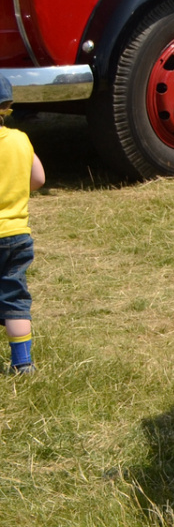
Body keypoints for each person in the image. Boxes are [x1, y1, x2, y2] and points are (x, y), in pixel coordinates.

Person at [0, 75, 46, 376]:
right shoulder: (20, 140)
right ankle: (22, 363)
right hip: (16, 235)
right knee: (15, 298)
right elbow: (39, 179)